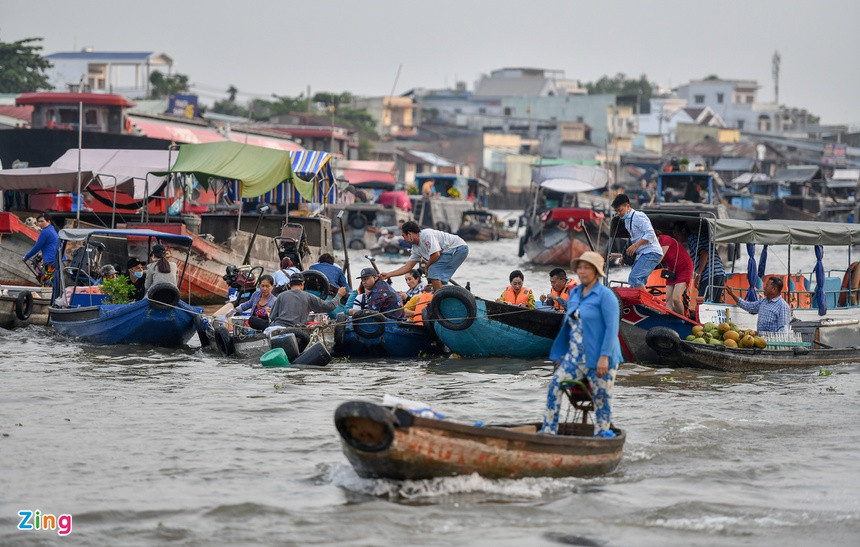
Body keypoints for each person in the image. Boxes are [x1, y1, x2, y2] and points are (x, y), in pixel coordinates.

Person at [541, 251, 622, 437]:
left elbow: (612, 329)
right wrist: (562, 355)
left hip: (601, 357)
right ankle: (549, 431)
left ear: (596, 271)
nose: (582, 271)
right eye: (580, 267)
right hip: (576, 357)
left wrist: (604, 357)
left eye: (587, 268)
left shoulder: (606, 296)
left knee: (601, 399)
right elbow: (570, 325)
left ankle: (601, 435)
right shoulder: (576, 293)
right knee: (555, 386)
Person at [380, 221, 469, 291]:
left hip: (458, 248)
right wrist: (388, 274)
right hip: (448, 252)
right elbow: (407, 267)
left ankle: (438, 299)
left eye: (404, 236)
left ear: (409, 234)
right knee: (436, 277)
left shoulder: (426, 234)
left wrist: (427, 267)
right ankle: (440, 295)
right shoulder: (416, 248)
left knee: (433, 270)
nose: (404, 239)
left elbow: (436, 254)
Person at [611, 194, 663, 289]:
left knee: (634, 278)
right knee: (635, 283)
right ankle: (643, 298)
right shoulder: (627, 221)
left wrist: (635, 246)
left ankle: (644, 299)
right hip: (642, 254)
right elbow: (633, 239)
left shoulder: (639, 216)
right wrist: (624, 257)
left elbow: (650, 234)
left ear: (627, 206)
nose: (618, 213)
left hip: (651, 252)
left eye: (620, 210)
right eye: (616, 211)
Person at [267, 272, 348, 330]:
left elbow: (272, 317)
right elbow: (330, 306)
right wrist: (339, 295)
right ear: (302, 283)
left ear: (289, 285)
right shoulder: (308, 296)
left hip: (276, 328)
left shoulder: (281, 296)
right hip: (296, 331)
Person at [673, 221, 726, 302]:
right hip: (719, 273)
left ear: (683, 231)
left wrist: (698, 275)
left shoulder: (693, 239)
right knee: (714, 303)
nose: (676, 237)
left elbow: (704, 254)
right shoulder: (699, 238)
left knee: (703, 303)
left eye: (676, 234)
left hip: (710, 274)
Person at [726, 276, 791, 333]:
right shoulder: (764, 301)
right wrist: (732, 294)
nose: (764, 288)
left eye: (767, 286)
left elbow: (783, 329)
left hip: (771, 341)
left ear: (774, 289)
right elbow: (749, 306)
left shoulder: (782, 306)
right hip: (760, 339)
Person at [657, 230, 693, 316]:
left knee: (676, 298)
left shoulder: (665, 239)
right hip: (672, 270)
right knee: (668, 300)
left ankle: (682, 318)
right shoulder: (654, 245)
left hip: (684, 268)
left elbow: (658, 259)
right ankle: (670, 318)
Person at [23, 212, 60, 287]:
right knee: (54, 282)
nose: (40, 223)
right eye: (39, 222)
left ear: (48, 221)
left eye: (42, 221)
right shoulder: (52, 229)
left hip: (50, 261)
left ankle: (46, 294)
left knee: (45, 282)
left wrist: (26, 257)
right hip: (57, 259)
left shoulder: (45, 232)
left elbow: (37, 247)